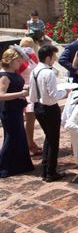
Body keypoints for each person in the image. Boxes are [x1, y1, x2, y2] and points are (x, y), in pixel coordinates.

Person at [29, 44, 72, 182]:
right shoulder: (48, 73)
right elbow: (53, 95)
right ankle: (51, 172)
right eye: (54, 57)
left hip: (38, 107)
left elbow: (32, 94)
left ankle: (46, 167)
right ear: (48, 58)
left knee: (48, 137)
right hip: (49, 109)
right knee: (54, 141)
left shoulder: (35, 71)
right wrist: (66, 92)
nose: (55, 60)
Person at [0, 48, 34, 178]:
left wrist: (23, 89)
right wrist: (21, 93)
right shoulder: (4, 76)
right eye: (18, 61)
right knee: (12, 137)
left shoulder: (12, 73)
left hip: (16, 108)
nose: (20, 64)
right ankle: (3, 165)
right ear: (12, 61)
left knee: (18, 137)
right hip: (9, 111)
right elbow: (1, 95)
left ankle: (17, 165)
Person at [16, 37, 41, 155]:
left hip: (33, 90)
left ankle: (30, 142)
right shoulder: (21, 60)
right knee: (29, 120)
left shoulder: (32, 57)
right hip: (25, 91)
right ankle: (29, 144)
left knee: (31, 120)